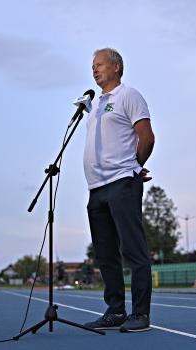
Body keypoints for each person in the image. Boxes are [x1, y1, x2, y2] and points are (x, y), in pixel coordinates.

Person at [82, 48, 155, 333]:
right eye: (92, 66)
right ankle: (115, 311)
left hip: (122, 183)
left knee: (133, 249)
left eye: (99, 64)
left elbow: (146, 137)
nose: (94, 70)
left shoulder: (129, 95)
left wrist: (134, 168)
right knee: (105, 254)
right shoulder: (96, 105)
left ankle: (140, 314)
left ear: (116, 67)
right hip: (96, 188)